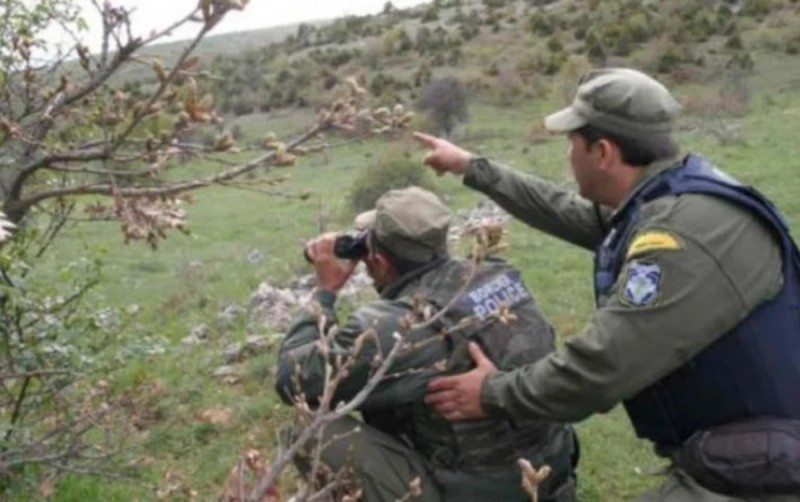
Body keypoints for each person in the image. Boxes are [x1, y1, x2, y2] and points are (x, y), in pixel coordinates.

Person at [414, 67, 800, 501]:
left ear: (602, 152)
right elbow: (568, 211)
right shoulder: (669, 194)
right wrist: (473, 168)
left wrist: (491, 392)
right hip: (744, 450)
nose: (566, 155)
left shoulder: (680, 237)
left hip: (765, 473)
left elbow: (599, 370)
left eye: (571, 143)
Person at [275, 186, 578, 501]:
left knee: (308, 429)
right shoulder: (500, 274)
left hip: (474, 491)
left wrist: (324, 293)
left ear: (378, 261)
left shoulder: (398, 325)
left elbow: (292, 380)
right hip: (548, 476)